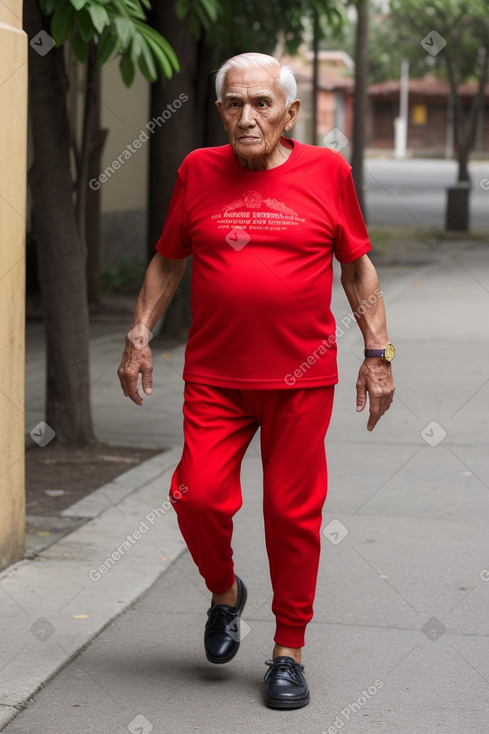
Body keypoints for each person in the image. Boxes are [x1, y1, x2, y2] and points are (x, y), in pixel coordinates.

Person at [118, 52, 395, 710]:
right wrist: (137, 334)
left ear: (290, 113)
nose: (247, 117)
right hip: (215, 376)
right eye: (234, 104)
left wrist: (377, 352)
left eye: (262, 104)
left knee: (289, 514)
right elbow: (167, 259)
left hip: (300, 379)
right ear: (219, 111)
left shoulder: (326, 172)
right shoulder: (197, 171)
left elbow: (356, 269)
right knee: (197, 496)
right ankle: (225, 592)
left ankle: (287, 651)